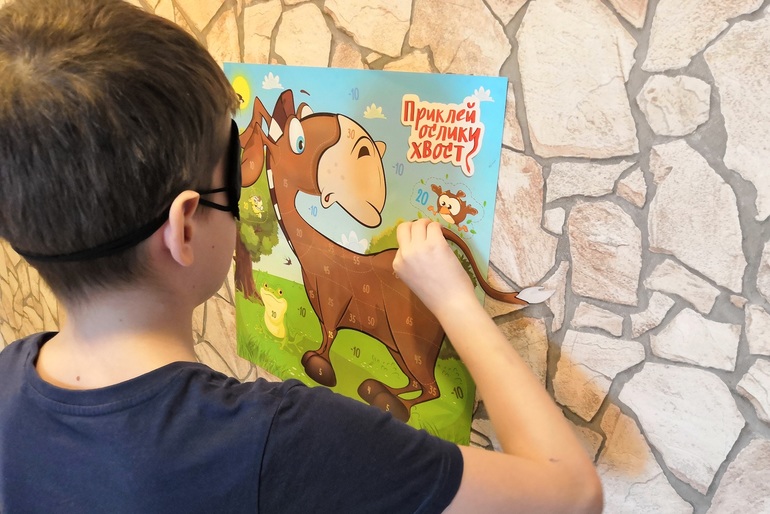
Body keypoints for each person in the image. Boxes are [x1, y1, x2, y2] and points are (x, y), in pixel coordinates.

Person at [0, 0, 603, 512]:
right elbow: (573, 493)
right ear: (184, 228)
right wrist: (453, 301)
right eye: (234, 167)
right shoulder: (288, 439)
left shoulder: (7, 380)